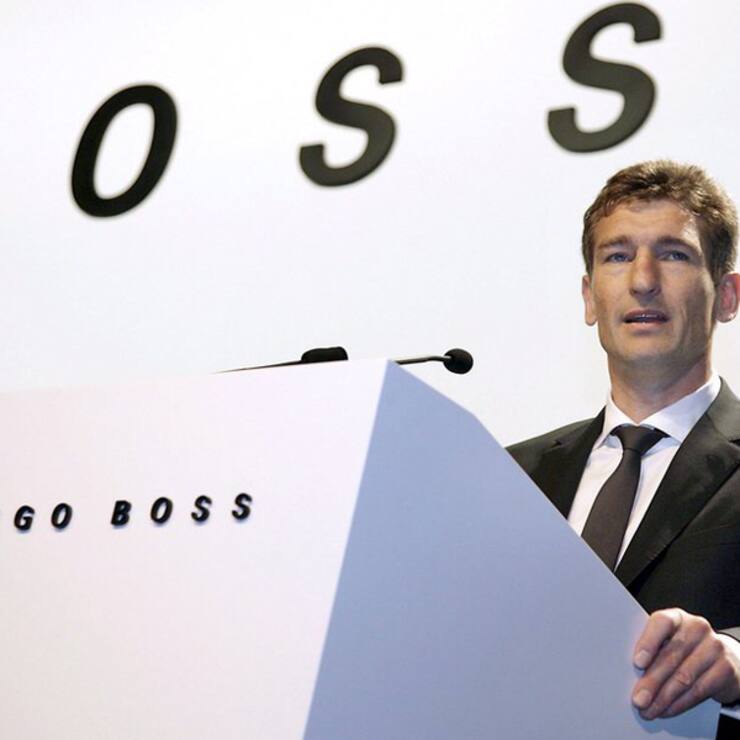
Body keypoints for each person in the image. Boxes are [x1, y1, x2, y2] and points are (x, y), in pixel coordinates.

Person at [508, 160, 740, 725]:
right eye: (617, 256)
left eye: (674, 254)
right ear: (590, 298)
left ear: (727, 296)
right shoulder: (510, 476)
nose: (642, 280)